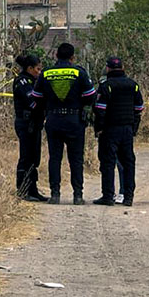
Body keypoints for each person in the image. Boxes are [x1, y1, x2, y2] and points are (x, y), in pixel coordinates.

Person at [30, 42, 96, 204]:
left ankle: (55, 194)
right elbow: (91, 96)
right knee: (76, 159)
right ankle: (78, 196)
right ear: (73, 57)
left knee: (55, 158)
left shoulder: (46, 73)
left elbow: (36, 97)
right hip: (74, 120)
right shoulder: (79, 73)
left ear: (56, 56)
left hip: (53, 119)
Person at [92, 56, 143, 207]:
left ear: (108, 68)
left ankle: (108, 196)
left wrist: (99, 129)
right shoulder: (133, 85)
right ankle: (128, 197)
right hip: (127, 129)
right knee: (128, 163)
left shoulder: (106, 86)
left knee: (107, 162)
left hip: (110, 129)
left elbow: (100, 110)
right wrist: (134, 127)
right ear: (123, 68)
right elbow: (139, 108)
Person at [12, 53, 49, 202]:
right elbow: (32, 102)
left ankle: (33, 190)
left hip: (35, 124)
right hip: (26, 123)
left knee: (35, 158)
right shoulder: (22, 81)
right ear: (29, 68)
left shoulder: (33, 81)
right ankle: (22, 190)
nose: (39, 72)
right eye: (38, 69)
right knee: (26, 157)